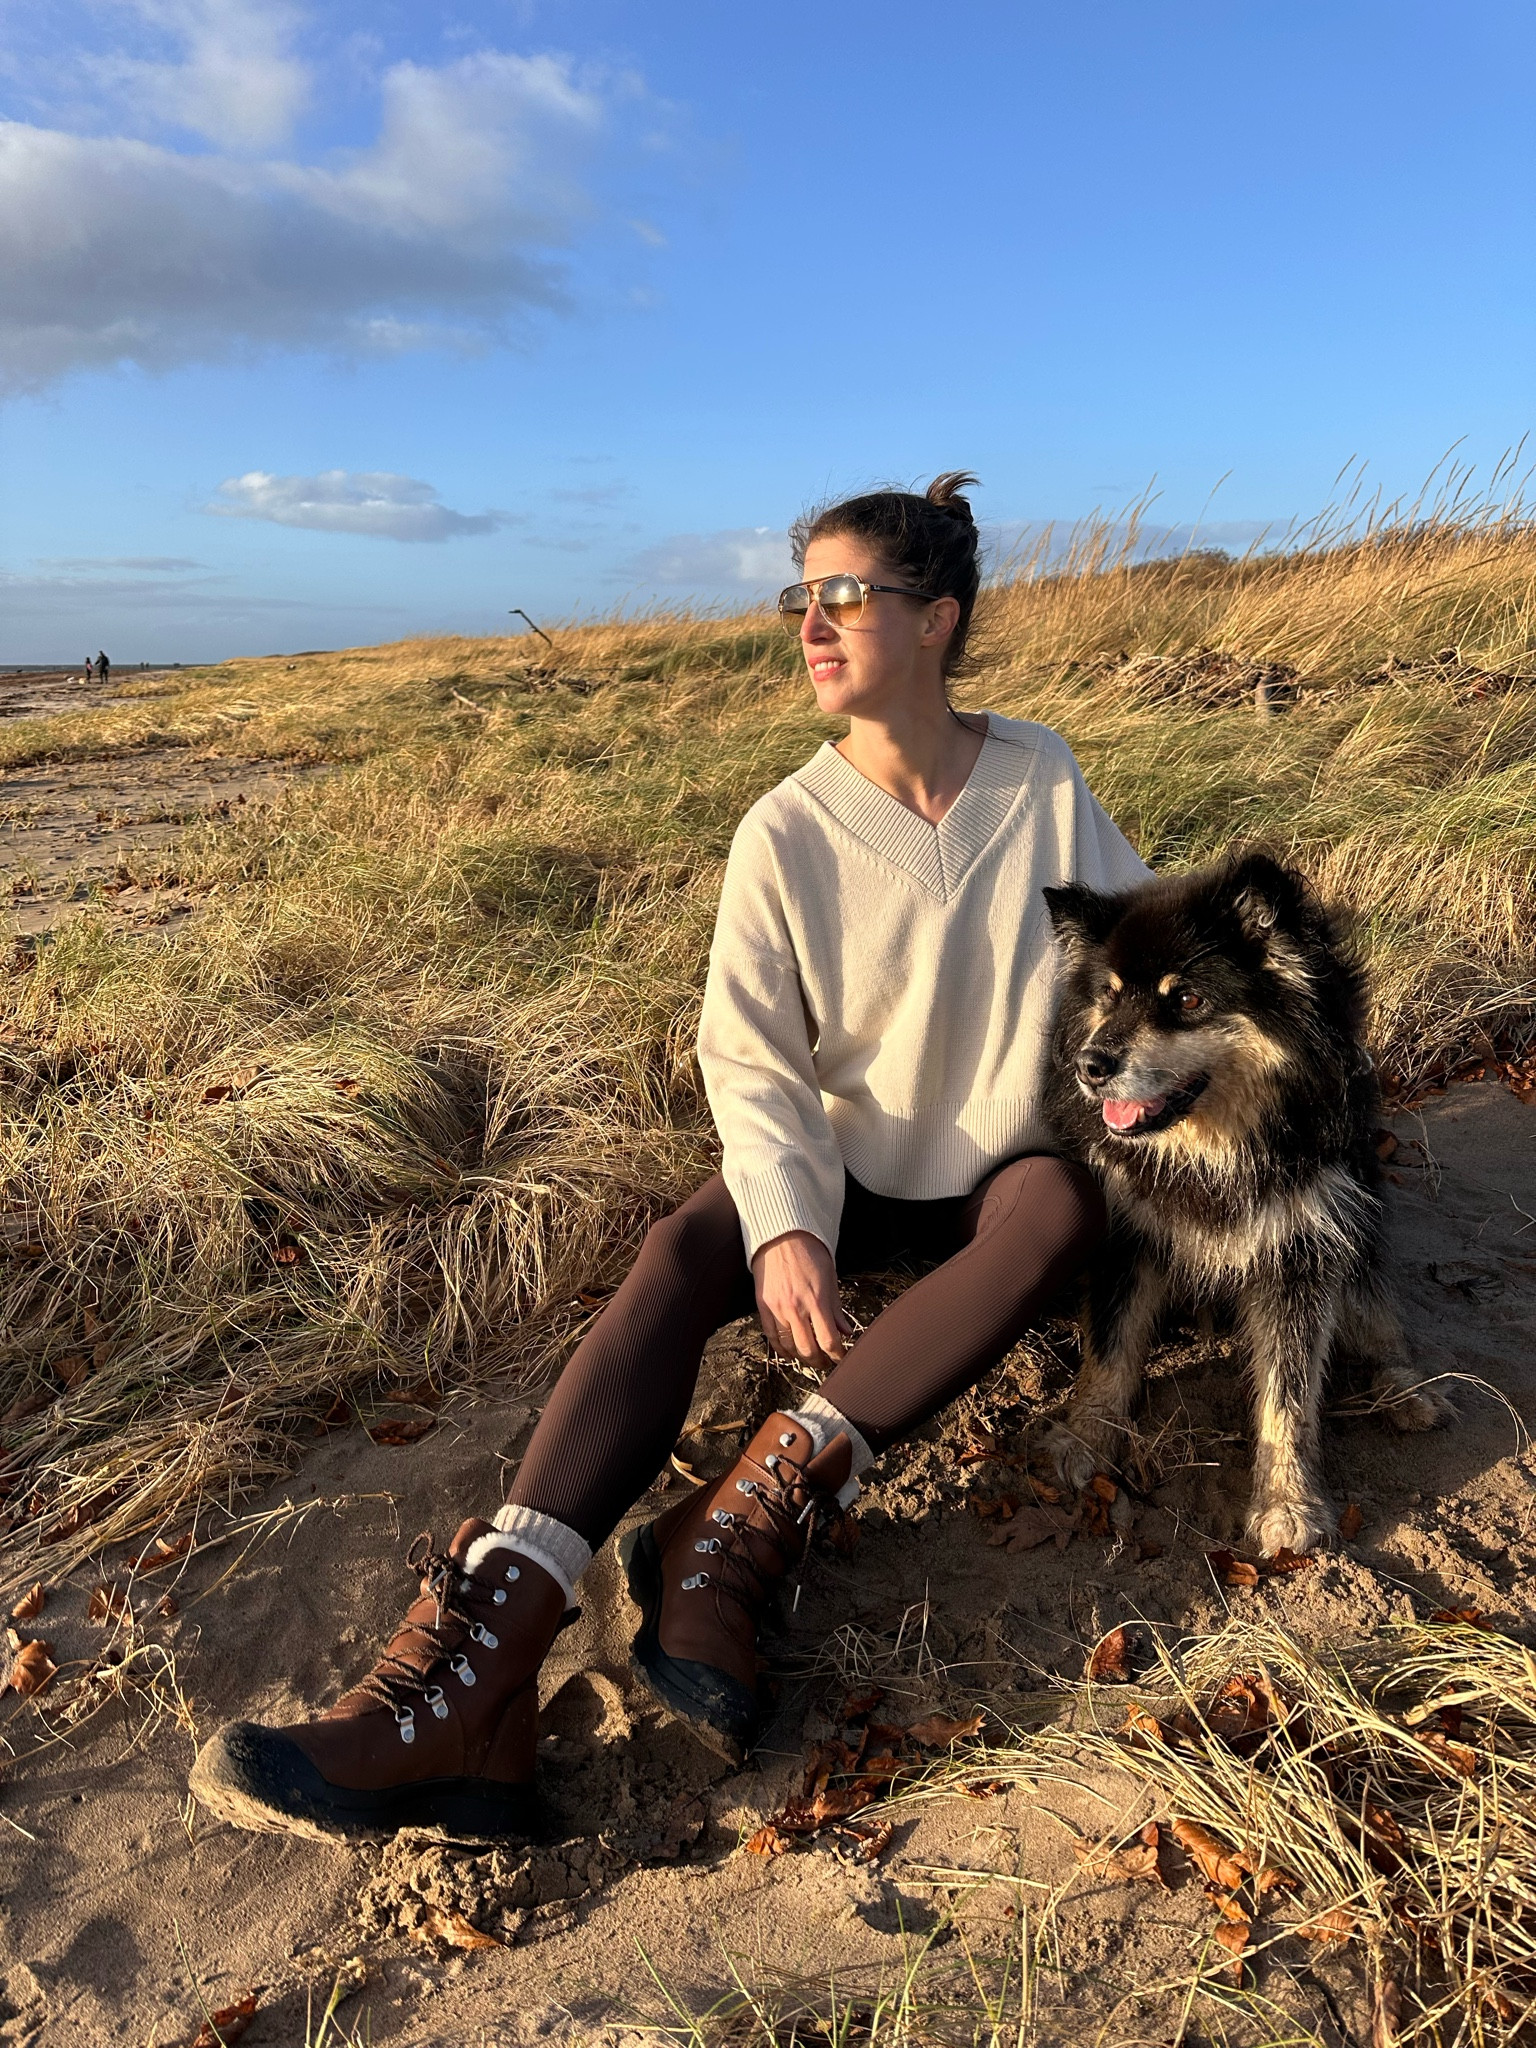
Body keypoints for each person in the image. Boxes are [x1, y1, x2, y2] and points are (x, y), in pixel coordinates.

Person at [189, 473, 1152, 1842]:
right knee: (689, 1243)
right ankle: (485, 1665)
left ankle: (742, 1520)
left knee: (1059, 1207)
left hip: (1001, 1168)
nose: (810, 625)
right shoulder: (788, 829)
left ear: (936, 619)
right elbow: (751, 1057)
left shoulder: (1039, 774)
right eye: (797, 599)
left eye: (845, 598)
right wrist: (785, 1227)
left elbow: (1140, 935)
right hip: (850, 1164)